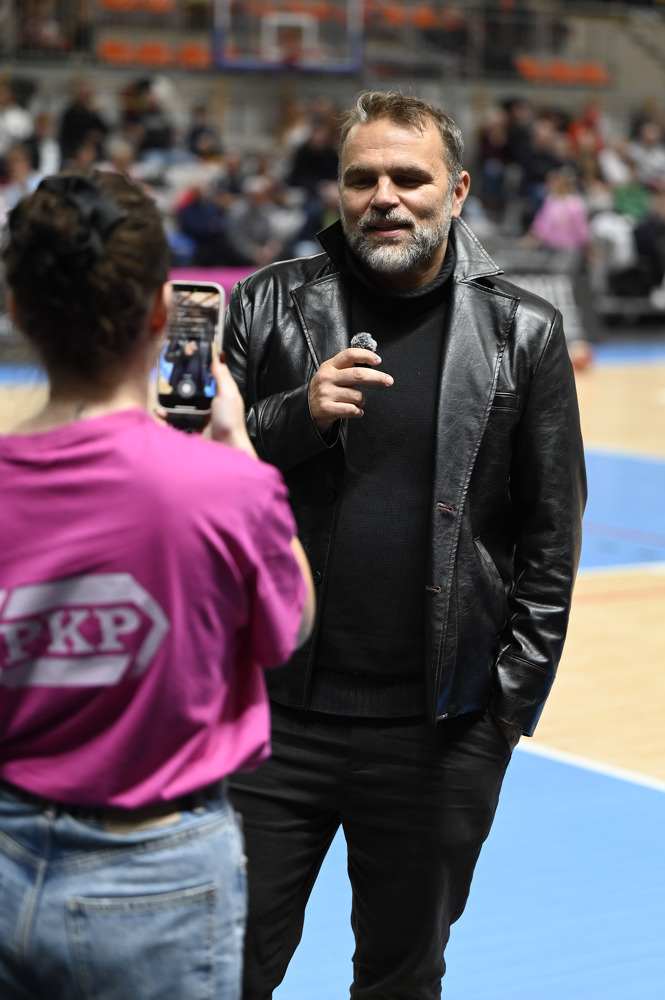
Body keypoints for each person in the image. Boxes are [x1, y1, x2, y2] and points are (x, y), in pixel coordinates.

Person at [224, 90, 587, 999]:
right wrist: (296, 415)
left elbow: (550, 536)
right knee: (220, 970)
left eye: (408, 178)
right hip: (269, 717)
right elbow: (182, 471)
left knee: (401, 978)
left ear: (455, 191)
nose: (383, 197)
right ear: (337, 191)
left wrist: (505, 712)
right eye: (361, 178)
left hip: (441, 731)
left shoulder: (522, 332)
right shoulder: (266, 304)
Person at [0, 169, 315, 999]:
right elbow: (290, 625)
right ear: (158, 314)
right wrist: (237, 442)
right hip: (156, 875)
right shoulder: (224, 488)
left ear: (18, 310)